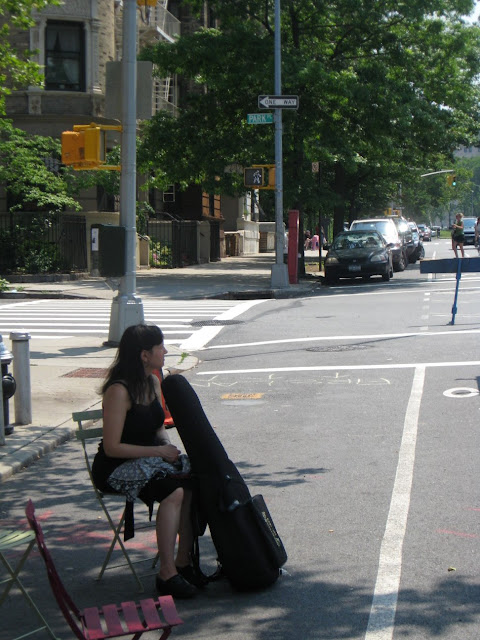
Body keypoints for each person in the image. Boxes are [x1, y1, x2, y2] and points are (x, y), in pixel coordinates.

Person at [92, 324, 204, 598]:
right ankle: (166, 573)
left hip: (149, 460)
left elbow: (158, 429)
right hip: (115, 467)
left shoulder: (153, 381)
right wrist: (158, 454)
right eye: (160, 347)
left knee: (194, 480)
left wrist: (168, 448)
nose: (165, 351)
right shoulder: (118, 391)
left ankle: (183, 562)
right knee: (172, 490)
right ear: (144, 354)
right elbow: (112, 447)